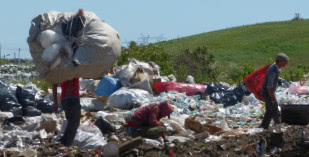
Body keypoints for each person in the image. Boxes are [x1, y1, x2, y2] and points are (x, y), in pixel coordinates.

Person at [259, 53, 289, 130]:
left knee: (269, 110)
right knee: (275, 109)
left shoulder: (275, 67)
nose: (285, 65)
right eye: (285, 62)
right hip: (267, 92)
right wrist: (273, 98)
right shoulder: (273, 70)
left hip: (268, 91)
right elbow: (269, 86)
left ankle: (263, 126)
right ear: (280, 61)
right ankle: (278, 128)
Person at [53, 78, 80, 146]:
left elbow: (54, 84)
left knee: (70, 123)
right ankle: (67, 147)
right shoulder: (71, 67)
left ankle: (61, 144)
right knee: (74, 124)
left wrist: (55, 102)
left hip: (64, 99)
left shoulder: (58, 70)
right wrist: (70, 87)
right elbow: (70, 75)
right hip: (72, 97)